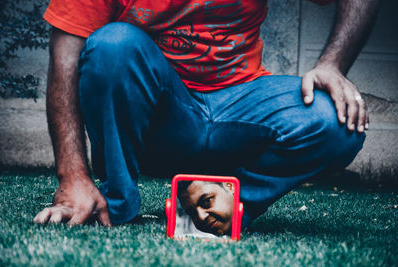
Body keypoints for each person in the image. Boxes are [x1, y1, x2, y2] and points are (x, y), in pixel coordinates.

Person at [33, 0, 381, 227]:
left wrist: (332, 63)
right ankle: (114, 204)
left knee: (336, 120)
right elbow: (65, 60)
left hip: (240, 107)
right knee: (113, 46)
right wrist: (72, 176)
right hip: (163, 114)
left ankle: (214, 209)